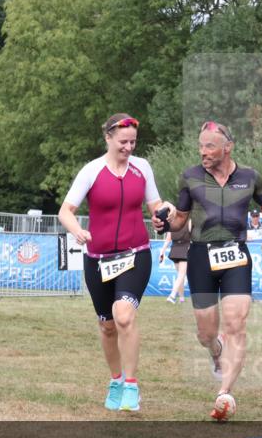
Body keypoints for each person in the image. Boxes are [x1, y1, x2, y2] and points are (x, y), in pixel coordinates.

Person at [58, 113, 175, 413]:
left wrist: (166, 213)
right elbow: (65, 211)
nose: (128, 148)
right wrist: (78, 231)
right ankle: (116, 380)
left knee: (123, 316)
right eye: (123, 142)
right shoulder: (91, 171)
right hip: (97, 259)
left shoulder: (142, 168)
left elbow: (155, 206)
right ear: (108, 138)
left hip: (135, 254)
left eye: (133, 142)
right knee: (107, 326)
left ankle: (132, 385)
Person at [169, 120, 262, 422]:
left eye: (209, 146)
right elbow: (180, 220)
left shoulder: (249, 177)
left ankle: (225, 393)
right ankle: (214, 348)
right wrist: (166, 223)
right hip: (200, 257)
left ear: (227, 148)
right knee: (206, 332)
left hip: (235, 254)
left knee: (237, 323)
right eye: (200, 146)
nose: (203, 151)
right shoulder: (190, 177)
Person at [159, 219, 192, 304]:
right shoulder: (189, 221)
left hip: (174, 251)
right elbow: (193, 237)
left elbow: (168, 240)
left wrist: (162, 252)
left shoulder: (172, 223)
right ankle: (172, 295)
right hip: (185, 250)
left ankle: (181, 298)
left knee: (180, 276)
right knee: (181, 276)